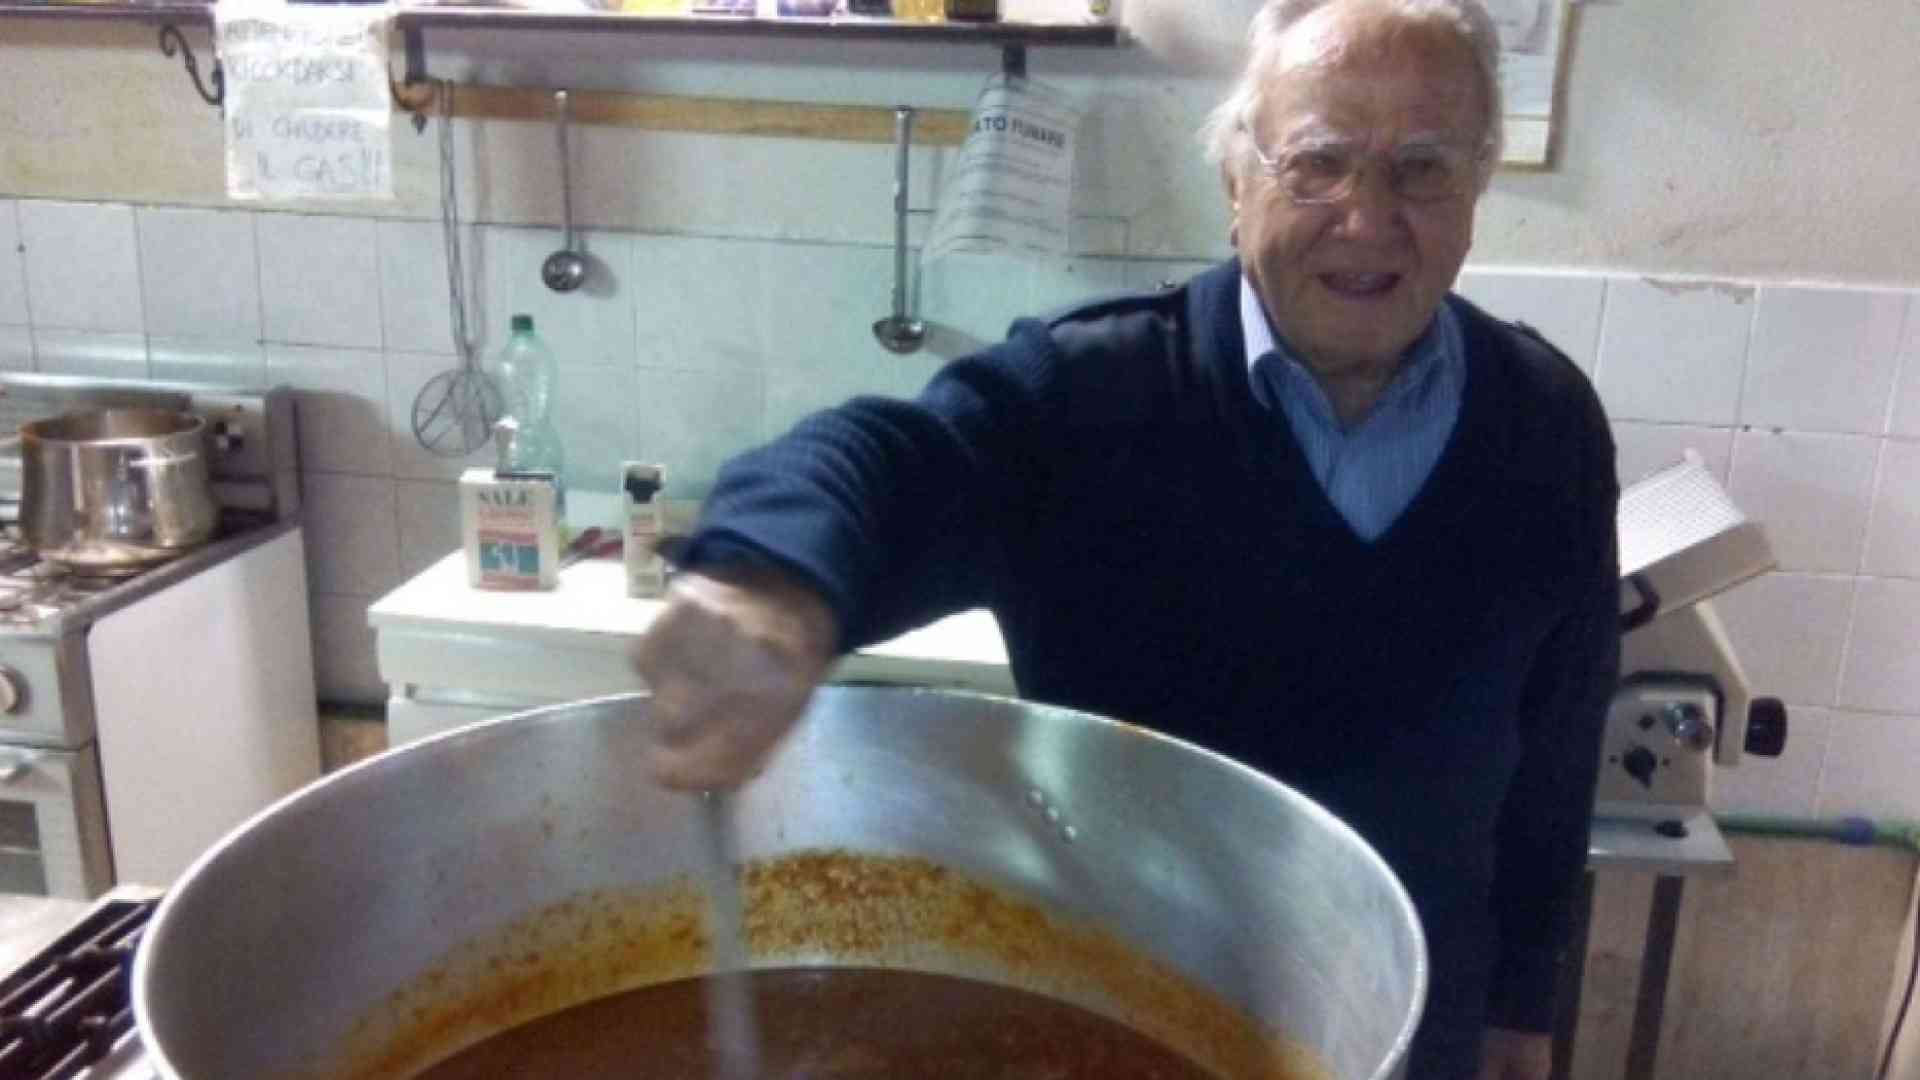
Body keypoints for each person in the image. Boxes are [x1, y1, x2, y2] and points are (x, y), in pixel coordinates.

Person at [633, 1, 1620, 1076]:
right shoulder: (1090, 396)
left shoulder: (1547, 422)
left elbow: (1558, 742)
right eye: (1318, 163)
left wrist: (1524, 1007)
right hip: (1119, 1023)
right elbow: (889, 460)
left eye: (1422, 169)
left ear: (1478, 186)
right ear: (1236, 181)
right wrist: (768, 577)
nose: (1367, 218)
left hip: (1415, 1029)